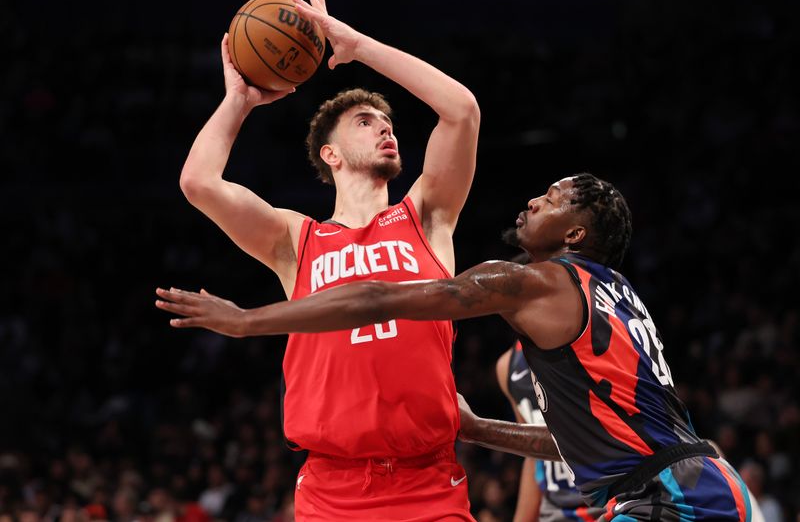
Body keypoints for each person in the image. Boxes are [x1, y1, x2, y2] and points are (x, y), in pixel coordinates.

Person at [157, 173, 755, 521]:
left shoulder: (535, 280)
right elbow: (585, 440)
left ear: (575, 234)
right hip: (710, 485)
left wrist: (246, 321)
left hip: (673, 498)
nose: (533, 201)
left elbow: (372, 299)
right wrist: (476, 430)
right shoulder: (619, 296)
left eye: (551, 199)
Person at [174, 0, 481, 521]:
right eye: (366, 122)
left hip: (427, 481)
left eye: (388, 124)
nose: (385, 128)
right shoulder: (297, 240)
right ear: (330, 154)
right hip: (331, 487)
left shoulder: (426, 216)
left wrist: (359, 46)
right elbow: (198, 182)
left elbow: (461, 110)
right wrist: (238, 101)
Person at [497, 340, 603, 522]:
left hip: (608, 502)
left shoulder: (590, 336)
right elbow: (531, 452)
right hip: (556, 510)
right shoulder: (507, 366)